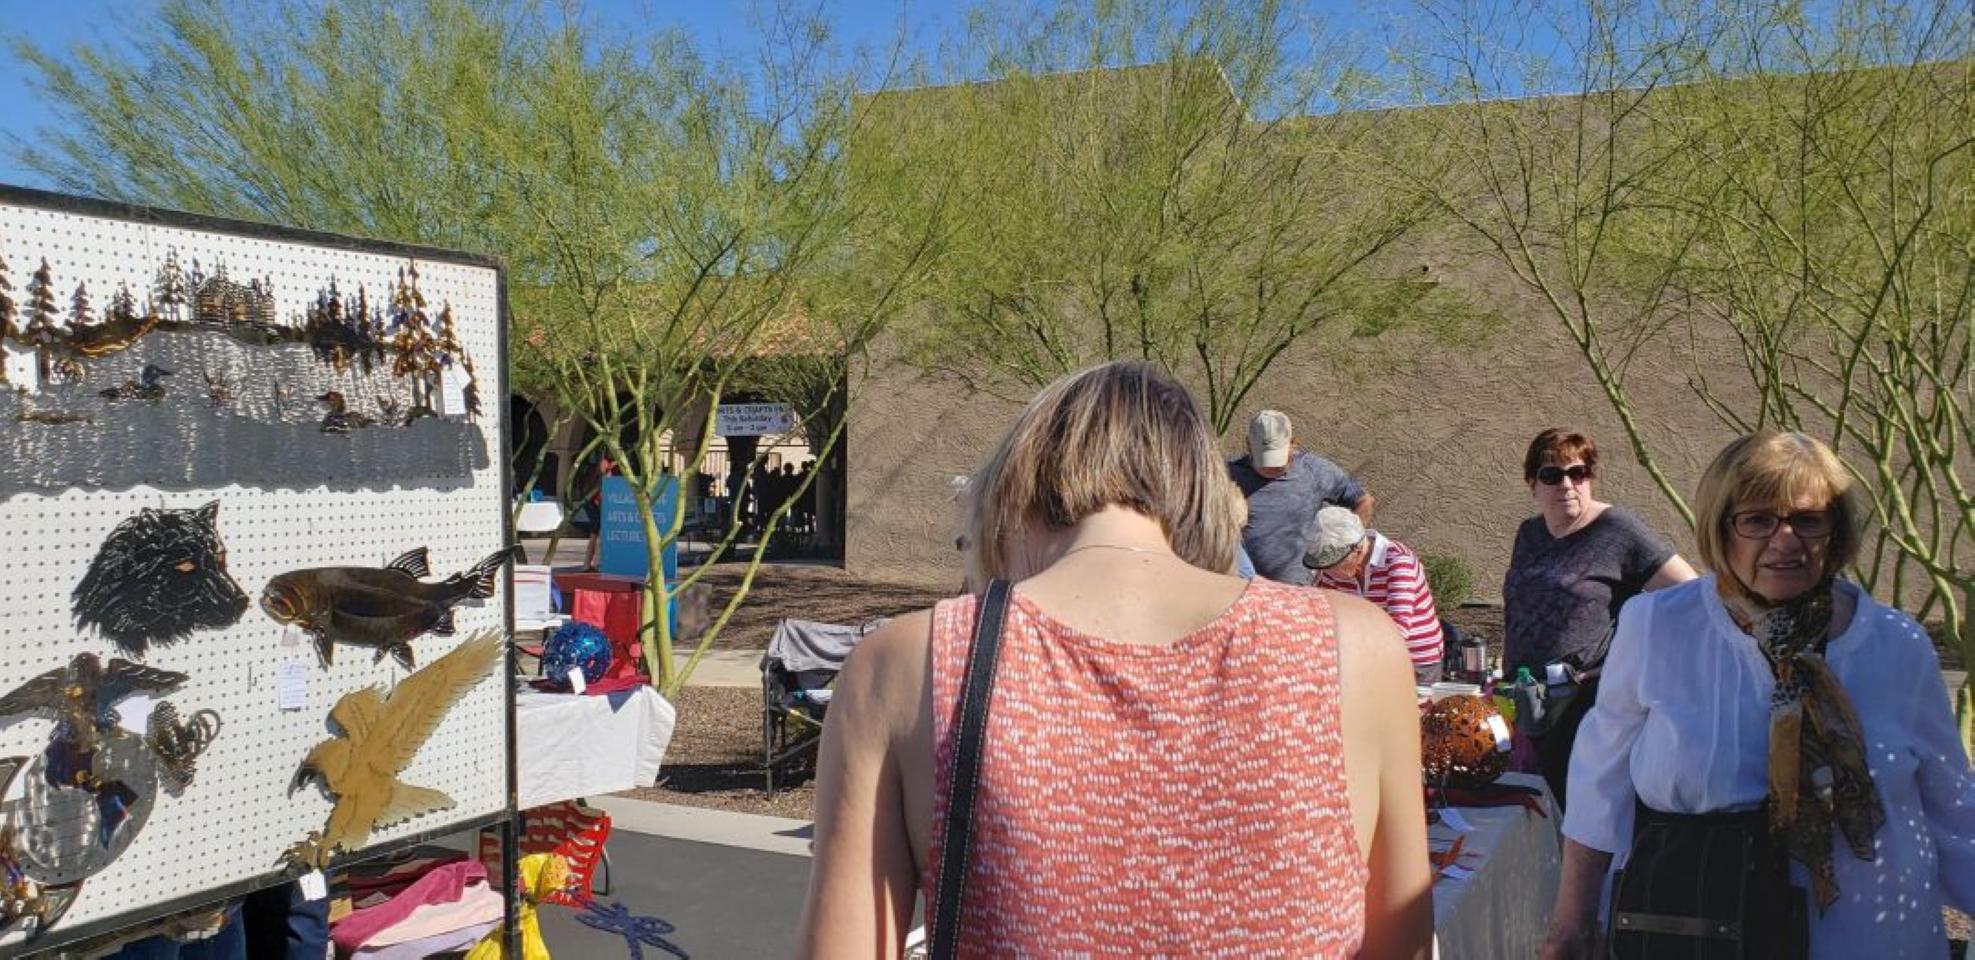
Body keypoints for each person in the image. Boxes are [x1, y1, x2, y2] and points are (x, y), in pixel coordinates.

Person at [795, 361, 1432, 958]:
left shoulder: (903, 667)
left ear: (1014, 493)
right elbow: (1400, 940)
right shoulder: (1357, 647)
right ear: (1205, 498)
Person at [1540, 431, 1975, 959]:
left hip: (1871, 938)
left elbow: (1955, 813)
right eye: (1758, 519)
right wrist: (1571, 924)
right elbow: (1599, 780)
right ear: (1720, 528)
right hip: (1701, 929)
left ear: (1835, 532)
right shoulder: (1659, 626)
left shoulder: (1897, 645)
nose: (1785, 540)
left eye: (1808, 520)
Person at [1503, 428, 1696, 806]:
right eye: (1552, 475)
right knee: (1533, 810)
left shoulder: (1617, 530)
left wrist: (1635, 661)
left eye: (1578, 473)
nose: (1567, 485)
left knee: (1582, 811)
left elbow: (1691, 596)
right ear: (1532, 485)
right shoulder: (1529, 533)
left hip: (1585, 704)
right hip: (1525, 701)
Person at [1228, 409, 1374, 585]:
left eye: (1276, 459)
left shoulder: (1314, 471)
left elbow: (1363, 500)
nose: (1269, 467)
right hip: (1243, 586)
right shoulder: (1226, 474)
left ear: (1293, 443)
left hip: (1300, 589)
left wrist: (1347, 546)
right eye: (1263, 458)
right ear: (1248, 445)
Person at [1306, 505, 1445, 684]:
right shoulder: (1332, 571)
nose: (1327, 572)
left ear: (1357, 550)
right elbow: (1323, 616)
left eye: (1334, 564)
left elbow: (1398, 629)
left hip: (1416, 660)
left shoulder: (1398, 562)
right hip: (1366, 659)